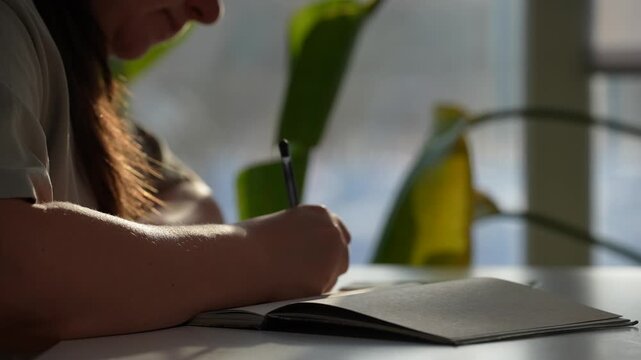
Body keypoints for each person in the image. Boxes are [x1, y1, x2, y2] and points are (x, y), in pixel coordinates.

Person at [0, 0, 350, 348]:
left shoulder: (82, 82)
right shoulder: (10, 27)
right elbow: (16, 272)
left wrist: (136, 263)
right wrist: (265, 257)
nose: (209, 12)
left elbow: (192, 198)